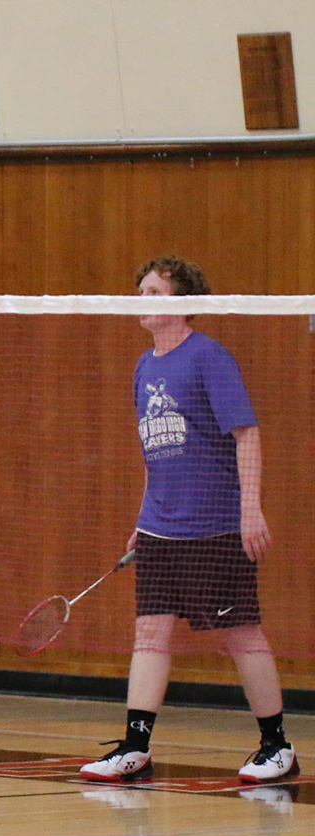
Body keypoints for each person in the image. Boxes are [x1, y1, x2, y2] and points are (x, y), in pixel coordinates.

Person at [81, 256, 295, 784]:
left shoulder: (208, 358)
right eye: (140, 292)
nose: (142, 300)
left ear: (183, 301)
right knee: (150, 635)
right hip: (160, 528)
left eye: (153, 292)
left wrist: (249, 508)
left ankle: (277, 747)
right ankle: (135, 747)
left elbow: (246, 433)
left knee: (241, 635)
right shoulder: (143, 366)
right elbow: (155, 453)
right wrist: (143, 516)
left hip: (214, 524)